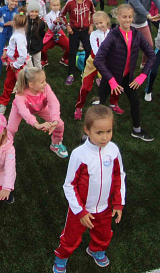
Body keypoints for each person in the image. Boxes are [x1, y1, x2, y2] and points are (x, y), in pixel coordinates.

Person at [52, 105, 125, 273]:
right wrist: (81, 212)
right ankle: (61, 257)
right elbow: (69, 185)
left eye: (109, 131)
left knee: (104, 234)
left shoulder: (114, 150)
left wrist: (118, 203)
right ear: (87, 130)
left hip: (104, 208)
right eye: (99, 132)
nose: (105, 137)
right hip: (81, 210)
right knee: (70, 237)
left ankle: (96, 250)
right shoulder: (79, 154)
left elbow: (119, 176)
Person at [95, 4, 156, 142]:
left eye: (130, 17)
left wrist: (142, 76)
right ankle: (90, 134)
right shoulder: (113, 35)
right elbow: (98, 60)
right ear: (118, 17)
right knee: (99, 106)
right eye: (124, 17)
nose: (127, 20)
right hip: (110, 77)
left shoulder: (137, 34)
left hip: (127, 77)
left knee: (135, 102)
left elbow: (152, 55)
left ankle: (137, 130)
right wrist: (111, 80)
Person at [6, 67, 68, 158]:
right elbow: (23, 111)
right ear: (31, 85)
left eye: (45, 80)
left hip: (41, 108)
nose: (45, 83)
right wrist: (36, 124)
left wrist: (55, 120)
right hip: (19, 110)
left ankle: (55, 144)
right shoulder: (20, 94)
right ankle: (6, 148)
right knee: (11, 129)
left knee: (60, 124)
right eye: (42, 82)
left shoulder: (46, 88)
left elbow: (53, 102)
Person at [73, 11, 114, 119]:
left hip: (106, 63)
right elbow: (96, 51)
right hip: (93, 62)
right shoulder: (94, 35)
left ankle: (112, 103)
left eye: (101, 22)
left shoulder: (112, 34)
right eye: (96, 24)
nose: (99, 25)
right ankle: (79, 107)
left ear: (107, 21)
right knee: (85, 87)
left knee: (110, 85)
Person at [61, 0, 95, 85]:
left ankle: (85, 70)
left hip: (85, 30)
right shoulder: (70, 3)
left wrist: (91, 25)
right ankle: (70, 73)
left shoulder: (89, 2)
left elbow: (93, 12)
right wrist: (67, 26)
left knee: (89, 51)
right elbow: (62, 14)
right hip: (74, 31)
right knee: (72, 52)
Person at [0, 8, 29, 112]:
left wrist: (15, 65)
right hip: (14, 64)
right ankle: (4, 103)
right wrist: (6, 50)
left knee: (19, 86)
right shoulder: (19, 35)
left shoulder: (18, 37)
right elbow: (13, 47)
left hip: (16, 66)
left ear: (14, 24)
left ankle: (21, 105)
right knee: (11, 83)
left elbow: (22, 55)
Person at [0, 0, 20, 83]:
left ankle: (16, 74)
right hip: (2, 33)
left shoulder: (18, 11)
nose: (14, 3)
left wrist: (15, 24)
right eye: (12, 1)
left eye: (16, 1)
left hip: (13, 35)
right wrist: (4, 24)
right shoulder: (2, 9)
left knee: (14, 53)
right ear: (8, 0)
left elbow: (21, 23)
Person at [42, 0, 71, 67]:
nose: (55, 7)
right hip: (51, 35)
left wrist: (61, 23)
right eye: (54, 5)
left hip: (60, 34)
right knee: (43, 49)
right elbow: (50, 28)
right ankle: (45, 60)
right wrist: (54, 23)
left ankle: (64, 59)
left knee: (70, 46)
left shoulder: (62, 15)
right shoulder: (47, 16)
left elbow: (64, 28)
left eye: (57, 5)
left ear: (60, 6)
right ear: (51, 6)